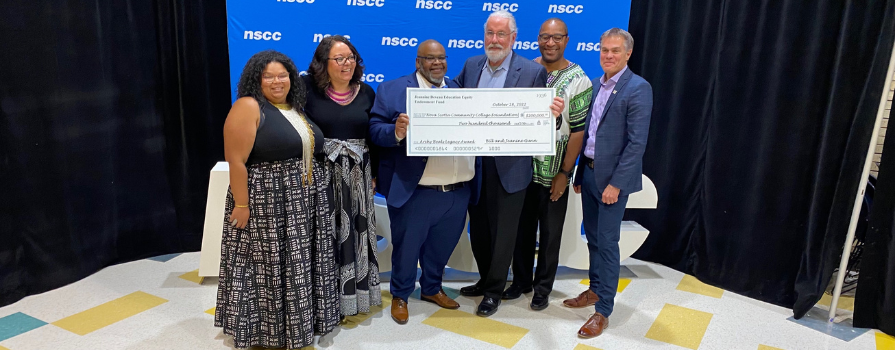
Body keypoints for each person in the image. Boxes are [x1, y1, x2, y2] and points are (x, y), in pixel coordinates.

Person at [215, 50, 338, 349]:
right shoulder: (248, 106)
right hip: (267, 203)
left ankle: (297, 326)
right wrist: (242, 206)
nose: (276, 81)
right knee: (267, 266)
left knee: (293, 266)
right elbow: (236, 160)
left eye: (282, 75)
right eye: (268, 76)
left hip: (300, 202)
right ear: (256, 79)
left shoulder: (292, 108)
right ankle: (266, 332)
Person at [454, 10, 564, 317]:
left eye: (501, 34)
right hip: (474, 164)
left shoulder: (531, 71)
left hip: (512, 167)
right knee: (480, 228)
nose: (494, 39)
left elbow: (544, 123)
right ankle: (486, 278)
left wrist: (552, 117)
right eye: (490, 33)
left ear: (513, 38)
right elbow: (455, 103)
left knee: (504, 232)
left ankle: (494, 292)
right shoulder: (472, 65)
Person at [369, 40, 477, 325]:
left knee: (442, 246)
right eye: (430, 59)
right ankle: (401, 295)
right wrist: (397, 131)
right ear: (418, 62)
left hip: (457, 190)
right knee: (406, 248)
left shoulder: (459, 92)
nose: (437, 63)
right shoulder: (392, 90)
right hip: (415, 190)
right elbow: (375, 131)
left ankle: (431, 288)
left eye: (442, 58)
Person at [565, 28, 653, 338]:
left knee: (607, 243)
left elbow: (636, 144)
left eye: (615, 50)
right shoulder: (594, 85)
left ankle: (603, 311)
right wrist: (578, 174)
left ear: (628, 53)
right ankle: (594, 290)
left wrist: (616, 184)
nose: (609, 55)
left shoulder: (638, 88)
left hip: (612, 183)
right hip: (588, 174)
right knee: (593, 239)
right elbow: (588, 135)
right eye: (604, 50)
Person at [505, 18, 593, 311]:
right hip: (521, 169)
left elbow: (579, 130)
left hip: (554, 171)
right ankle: (521, 281)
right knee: (521, 230)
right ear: (537, 39)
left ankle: (542, 288)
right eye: (545, 37)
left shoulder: (579, 78)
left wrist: (565, 173)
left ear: (567, 40)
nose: (550, 43)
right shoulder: (527, 70)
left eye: (557, 37)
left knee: (551, 233)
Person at [303, 35, 381, 317]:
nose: (346, 63)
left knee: (357, 234)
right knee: (325, 235)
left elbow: (374, 136)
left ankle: (355, 298)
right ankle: (324, 300)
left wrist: (376, 176)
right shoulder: (306, 90)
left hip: (359, 176)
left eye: (350, 58)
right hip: (322, 176)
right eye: (339, 58)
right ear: (323, 63)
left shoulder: (367, 93)